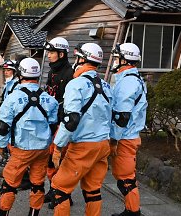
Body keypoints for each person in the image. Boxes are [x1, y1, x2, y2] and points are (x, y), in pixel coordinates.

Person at [50, 43, 112, 216]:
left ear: (82, 59)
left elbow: (71, 120)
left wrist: (58, 146)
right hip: (102, 144)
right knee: (93, 190)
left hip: (83, 146)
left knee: (59, 189)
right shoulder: (106, 86)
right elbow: (113, 117)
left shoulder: (75, 84)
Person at [0, 58, 59, 216]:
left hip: (21, 149)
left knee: (9, 184)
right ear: (37, 76)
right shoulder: (50, 100)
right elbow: (53, 125)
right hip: (42, 149)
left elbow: (3, 127)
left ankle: (3, 214)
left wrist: (2, 145)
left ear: (19, 75)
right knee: (38, 184)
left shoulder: (12, 98)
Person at [109, 43, 148, 216]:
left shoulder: (128, 82)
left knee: (126, 178)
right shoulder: (132, 79)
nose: (114, 61)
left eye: (117, 58)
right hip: (128, 135)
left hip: (125, 137)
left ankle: (134, 212)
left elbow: (122, 116)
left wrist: (113, 139)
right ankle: (130, 210)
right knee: (124, 176)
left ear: (125, 60)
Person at [43, 37, 74, 204]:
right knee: (50, 160)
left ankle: (64, 195)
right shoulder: (51, 72)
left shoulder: (70, 74)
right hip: (51, 122)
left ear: (61, 54)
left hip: (63, 123)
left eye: (51, 52)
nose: (48, 55)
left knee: (60, 160)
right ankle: (53, 189)